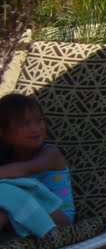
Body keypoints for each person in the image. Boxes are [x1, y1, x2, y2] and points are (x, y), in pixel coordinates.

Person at [0, 92, 73, 235]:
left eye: (39, 121)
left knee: (9, 191)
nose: (35, 129)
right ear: (2, 132)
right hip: (21, 210)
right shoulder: (6, 155)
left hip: (59, 218)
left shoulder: (50, 154)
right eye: (25, 124)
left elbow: (27, 169)